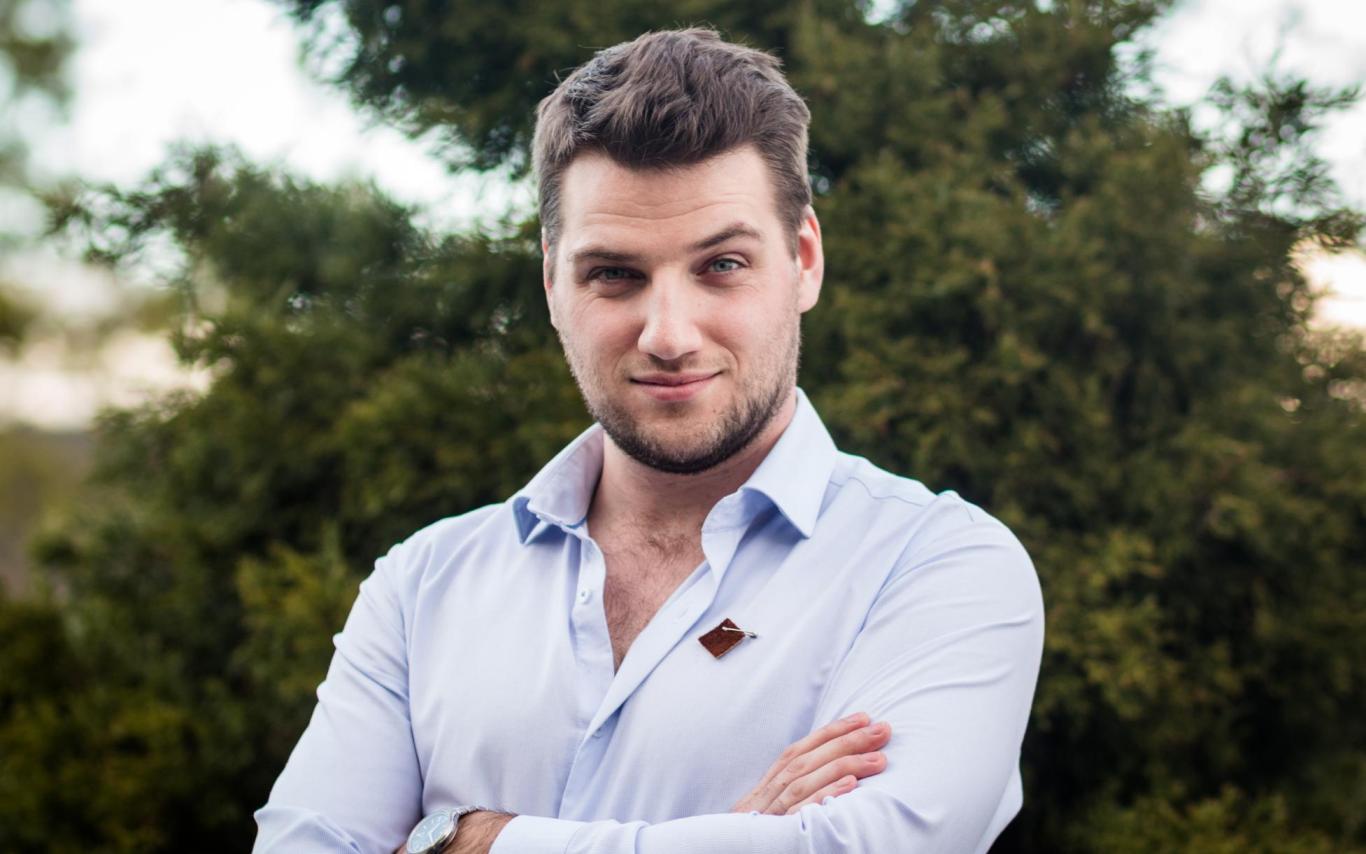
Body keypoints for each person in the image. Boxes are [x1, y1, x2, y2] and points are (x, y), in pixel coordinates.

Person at [252, 27, 1044, 854]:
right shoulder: (424, 585)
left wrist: (464, 840)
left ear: (803, 259)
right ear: (553, 281)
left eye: (722, 266)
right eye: (615, 275)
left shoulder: (938, 567)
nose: (669, 334)